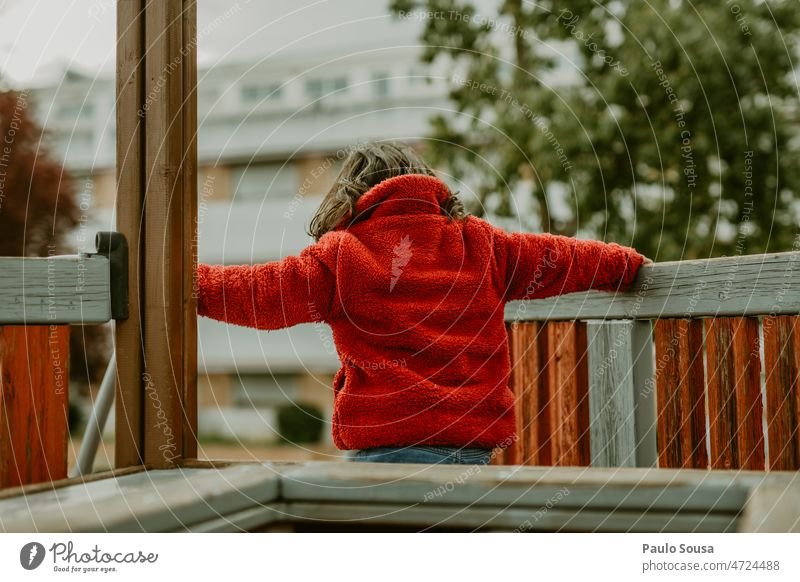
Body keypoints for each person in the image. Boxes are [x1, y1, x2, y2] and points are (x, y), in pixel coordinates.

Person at [196, 141, 650, 466]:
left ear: (351, 192)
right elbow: (565, 258)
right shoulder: (482, 245)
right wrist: (626, 265)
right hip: (471, 453)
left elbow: (263, 292)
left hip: (386, 454)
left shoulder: (344, 254)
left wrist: (189, 284)